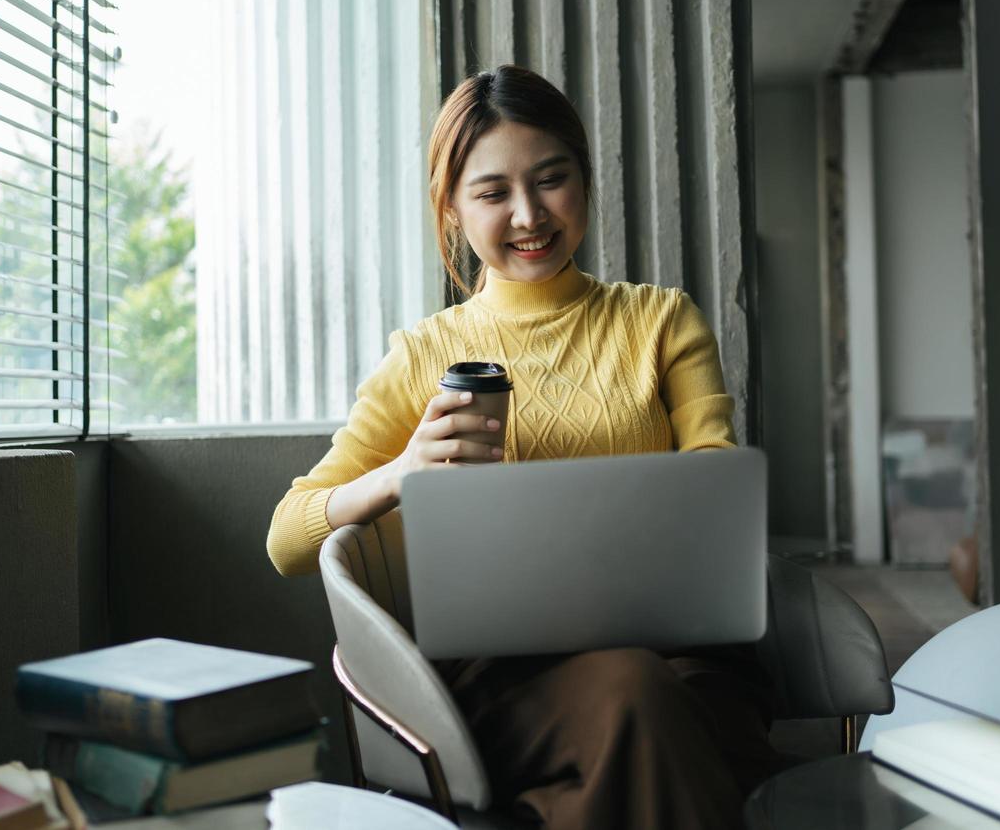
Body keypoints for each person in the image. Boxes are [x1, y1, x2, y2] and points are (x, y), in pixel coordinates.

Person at [266, 65, 779, 829]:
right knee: (641, 705)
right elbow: (287, 536)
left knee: (650, 704)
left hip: (680, 652)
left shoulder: (661, 323)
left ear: (584, 179)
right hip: (508, 681)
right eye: (492, 192)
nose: (529, 214)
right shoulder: (422, 355)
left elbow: (717, 487)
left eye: (551, 180)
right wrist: (401, 473)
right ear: (452, 208)